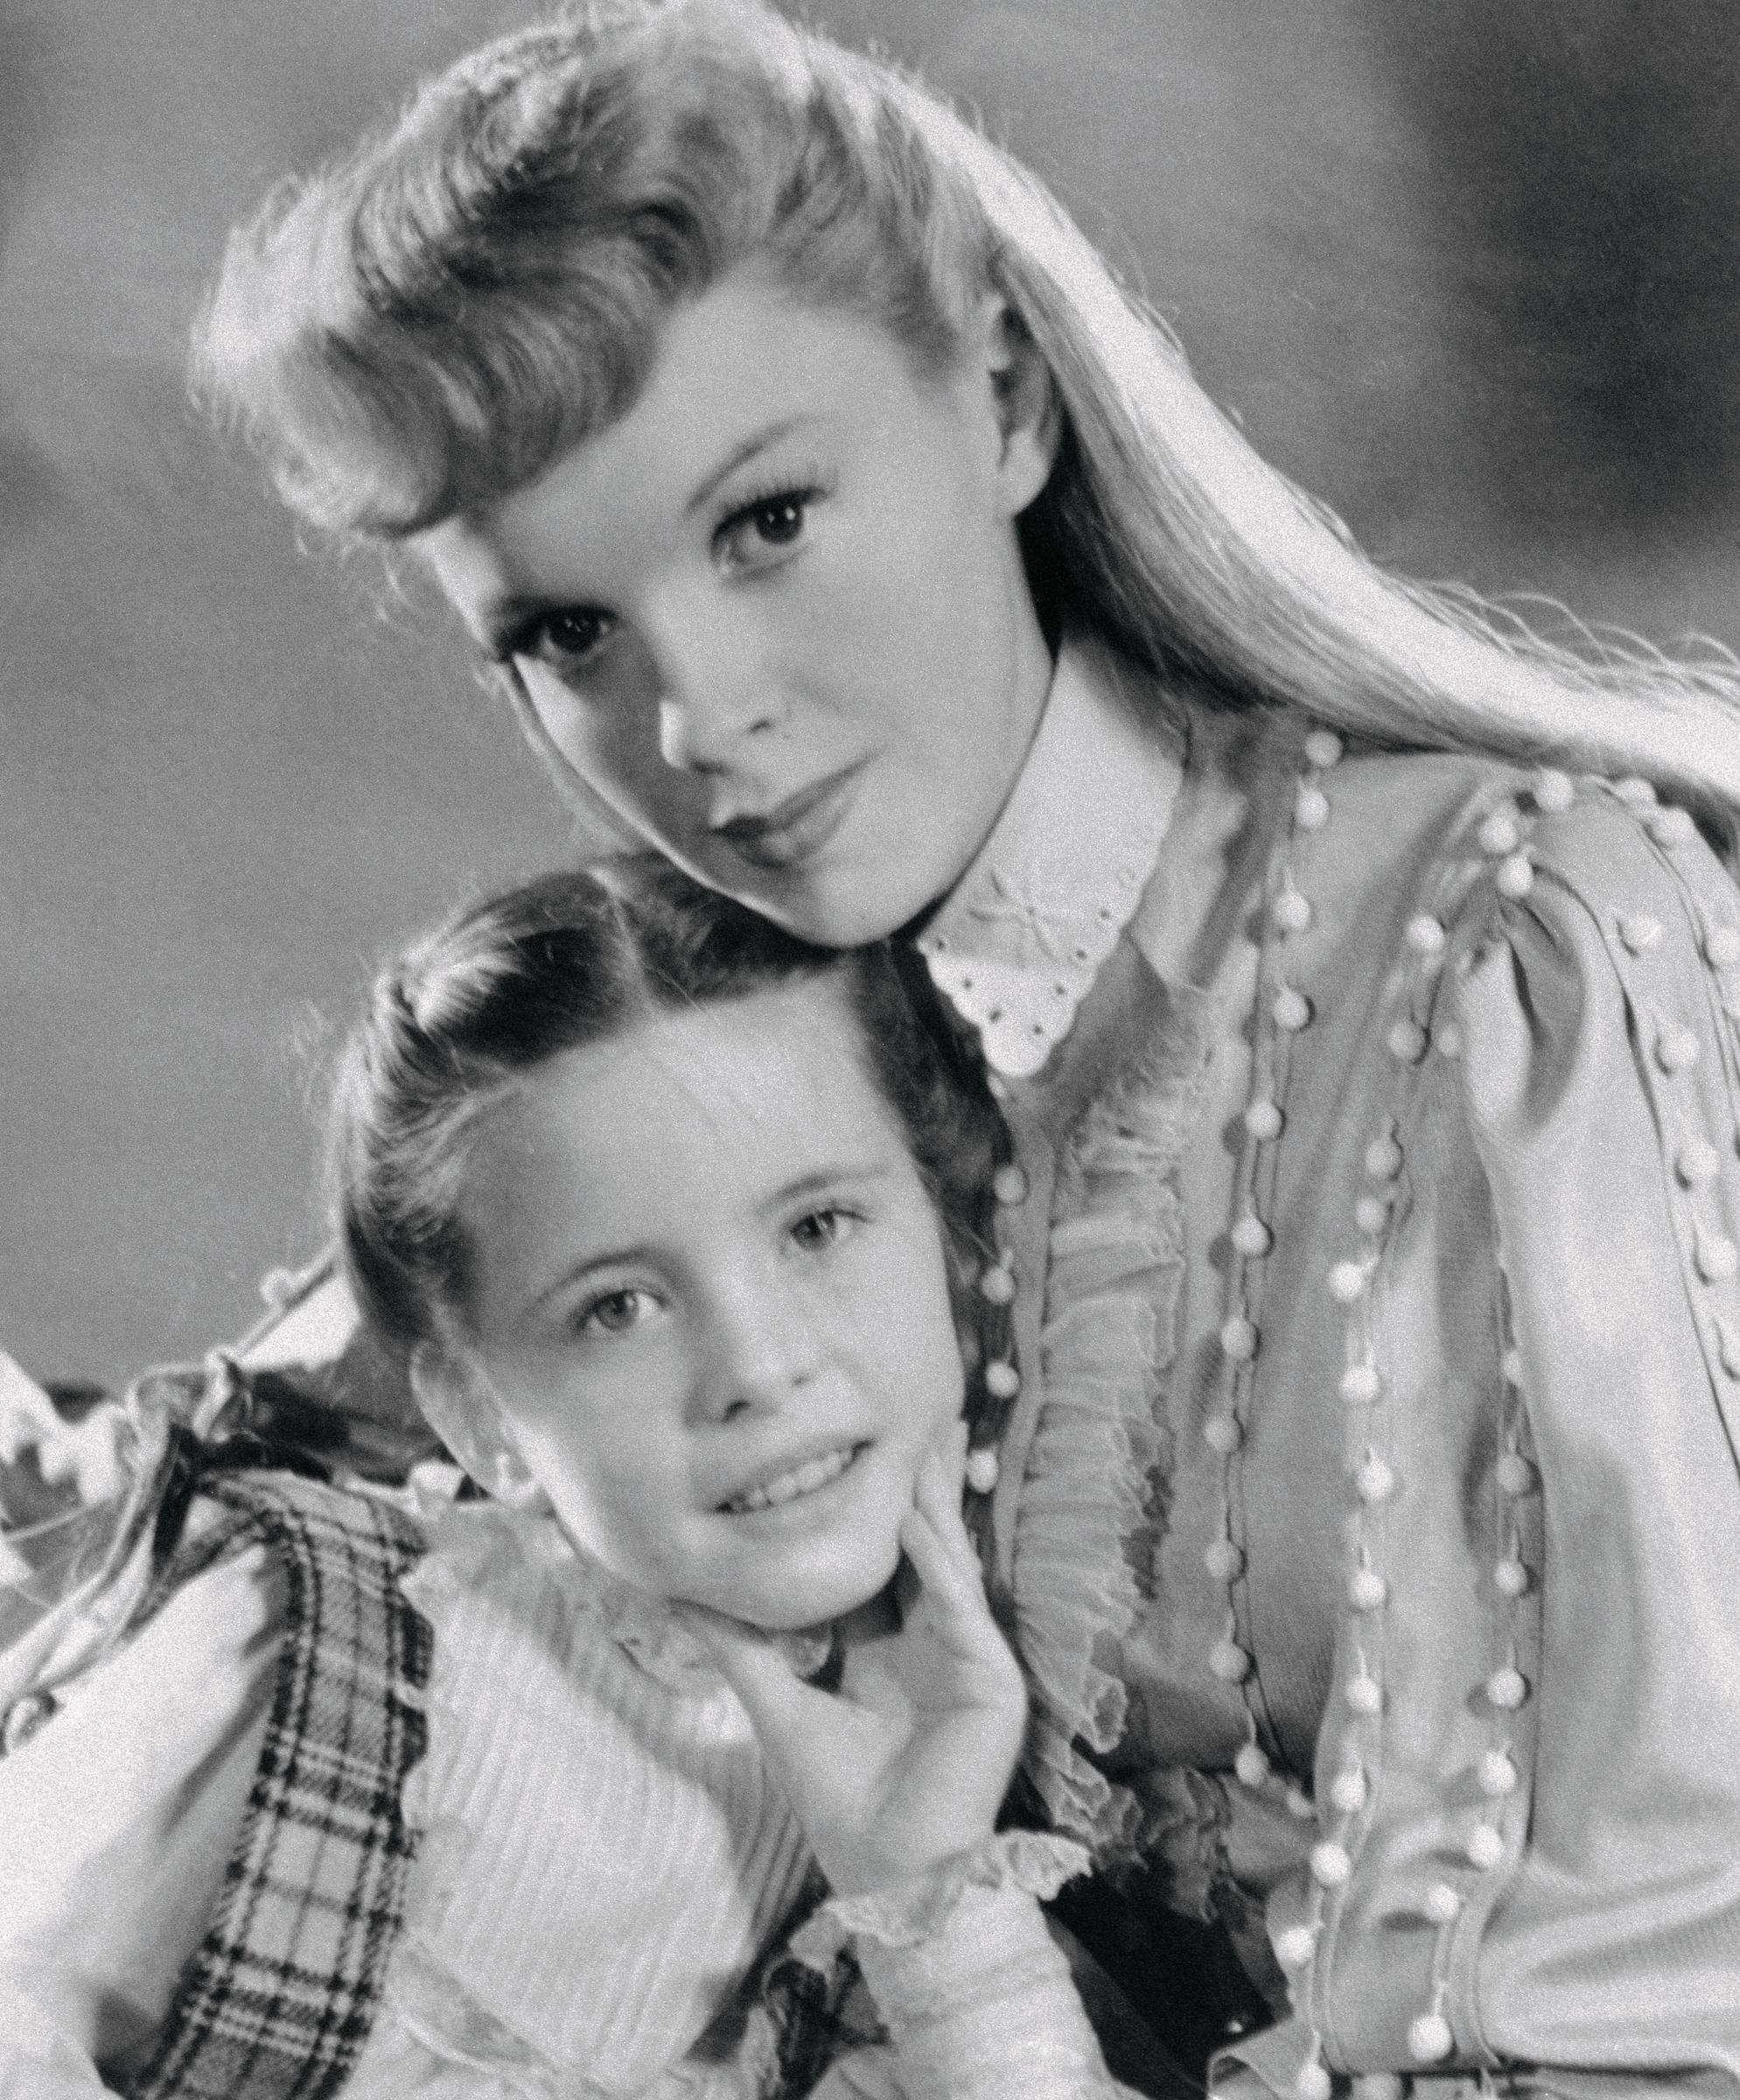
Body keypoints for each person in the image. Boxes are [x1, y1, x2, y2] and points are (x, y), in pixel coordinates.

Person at [191, 0, 1740, 2090]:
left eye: (764, 523)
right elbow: (216, 1465)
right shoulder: (724, 1071)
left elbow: (1639, 2001)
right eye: (565, 635)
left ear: (1002, 396)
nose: (701, 724)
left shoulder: (1515, 946)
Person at [3, 865, 1162, 2099]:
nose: (758, 1369)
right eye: (618, 1307)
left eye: (817, 1228)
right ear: (479, 1412)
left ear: (953, 1234)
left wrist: (928, 1895)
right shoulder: (337, 1655)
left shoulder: (1024, 1762)